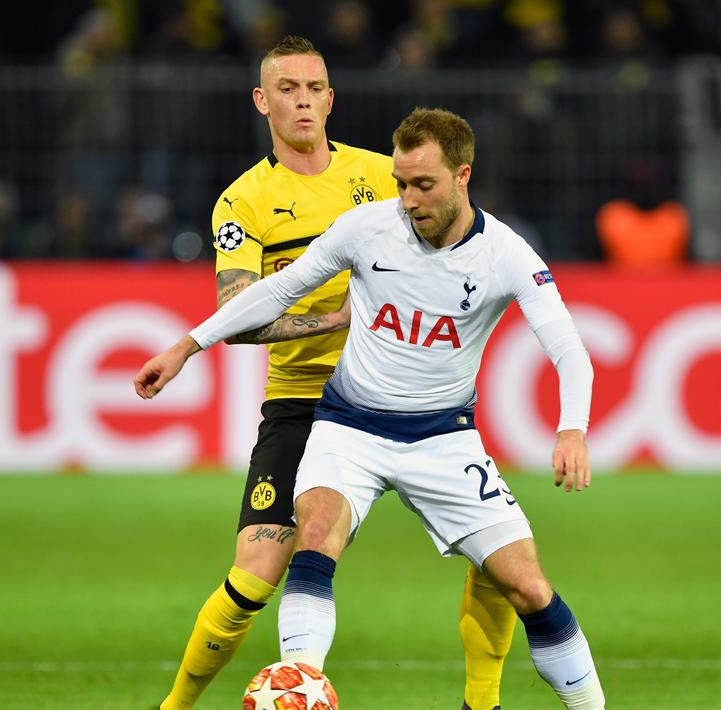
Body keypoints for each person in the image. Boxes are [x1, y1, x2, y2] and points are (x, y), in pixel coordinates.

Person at [135, 107, 606, 709]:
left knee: (529, 586)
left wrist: (572, 430)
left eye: (424, 185)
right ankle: (298, 686)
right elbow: (279, 290)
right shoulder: (366, 228)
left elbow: (568, 348)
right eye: (402, 183)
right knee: (315, 534)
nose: (408, 199)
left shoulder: (507, 255)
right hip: (349, 427)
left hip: (444, 438)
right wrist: (186, 346)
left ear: (464, 176)